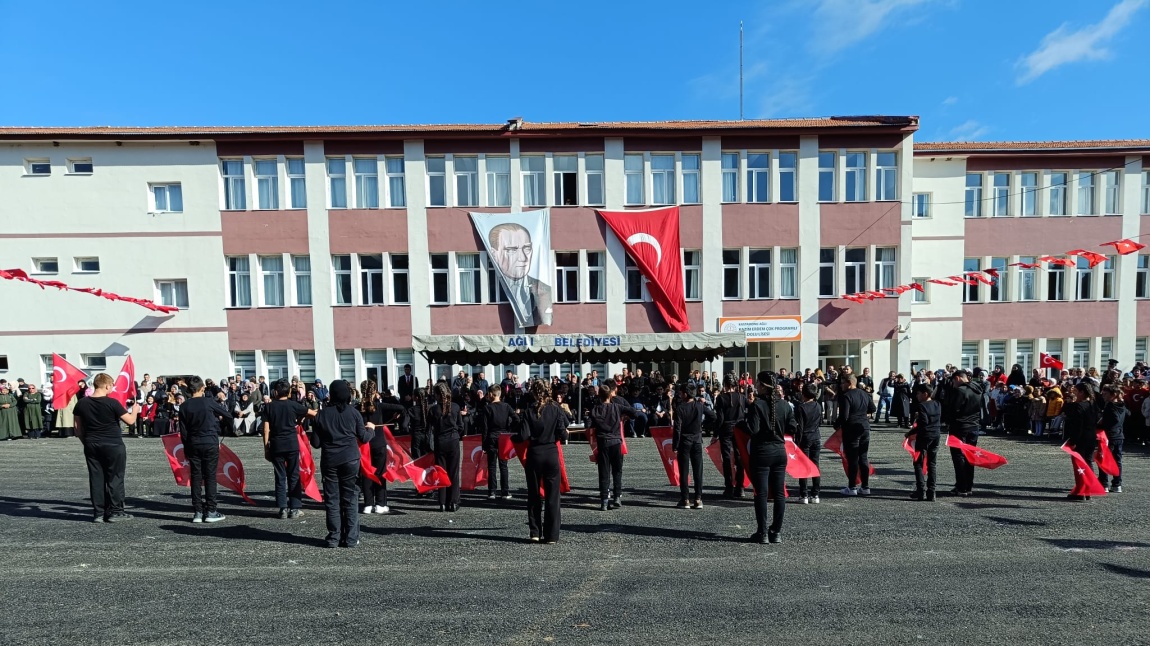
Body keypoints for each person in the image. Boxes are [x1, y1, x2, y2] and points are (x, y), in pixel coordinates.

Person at [310, 380, 375, 548]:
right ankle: (351, 538)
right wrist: (371, 429)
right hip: (350, 459)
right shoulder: (353, 413)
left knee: (332, 500)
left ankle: (334, 537)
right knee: (350, 498)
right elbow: (364, 437)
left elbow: (315, 443)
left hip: (330, 460)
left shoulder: (321, 414)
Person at [73, 373, 139, 522]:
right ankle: (116, 511)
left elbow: (77, 428)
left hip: (92, 444)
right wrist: (135, 410)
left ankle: (98, 513)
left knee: (96, 478)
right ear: (107, 386)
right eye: (112, 386)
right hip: (113, 444)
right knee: (115, 477)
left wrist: (87, 442)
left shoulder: (81, 403)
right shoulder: (112, 403)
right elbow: (130, 421)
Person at [745, 372, 796, 544]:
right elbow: (793, 427)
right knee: (779, 493)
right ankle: (776, 531)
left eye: (758, 383)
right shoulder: (785, 406)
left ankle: (762, 532)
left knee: (761, 493)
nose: (756, 386)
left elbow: (753, 429)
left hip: (761, 452)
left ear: (762, 386)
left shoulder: (757, 405)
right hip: (779, 451)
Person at [518, 379, 569, 543]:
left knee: (533, 495)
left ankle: (535, 532)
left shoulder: (528, 411)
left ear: (533, 392)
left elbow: (523, 436)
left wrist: (512, 437)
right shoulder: (556, 409)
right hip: (551, 454)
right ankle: (551, 535)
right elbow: (564, 433)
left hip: (534, 454)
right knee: (552, 497)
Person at [179, 376, 233, 523]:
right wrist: (225, 430)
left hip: (193, 443)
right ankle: (211, 510)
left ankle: (197, 511)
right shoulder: (209, 402)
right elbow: (228, 415)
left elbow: (183, 431)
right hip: (209, 442)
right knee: (210, 476)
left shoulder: (184, 406)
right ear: (202, 388)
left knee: (196, 477)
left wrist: (186, 447)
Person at [262, 378, 317, 519]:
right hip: (291, 444)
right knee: (293, 475)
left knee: (280, 476)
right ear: (289, 391)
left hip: (276, 444)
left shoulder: (269, 406)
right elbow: (312, 413)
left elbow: (266, 429)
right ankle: (295, 507)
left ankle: (282, 508)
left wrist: (266, 448)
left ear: (275, 391)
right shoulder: (294, 405)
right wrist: (301, 419)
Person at [487, 221, 553, 327]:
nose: (523, 258)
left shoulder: (544, 289)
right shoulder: (491, 287)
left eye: (527, 249)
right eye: (512, 250)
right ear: (494, 254)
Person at [359, 380, 404, 515]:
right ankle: (380, 504)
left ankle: (368, 504)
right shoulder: (379, 406)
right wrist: (397, 415)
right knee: (380, 473)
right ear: (375, 392)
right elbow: (400, 407)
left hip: (364, 444)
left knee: (366, 474)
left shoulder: (357, 407)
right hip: (378, 443)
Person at [587, 384, 635, 511]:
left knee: (604, 472)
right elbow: (634, 412)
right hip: (616, 441)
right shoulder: (617, 407)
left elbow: (588, 424)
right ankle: (617, 497)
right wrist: (625, 416)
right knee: (617, 471)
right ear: (610, 395)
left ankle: (604, 500)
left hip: (603, 442)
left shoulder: (595, 409)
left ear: (599, 395)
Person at [672, 384, 717, 509]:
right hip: (697, 439)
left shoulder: (680, 408)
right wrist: (702, 426)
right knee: (698, 471)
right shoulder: (699, 406)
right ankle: (698, 499)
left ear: (686, 394)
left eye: (681, 393)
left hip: (684, 441)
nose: (680, 395)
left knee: (684, 471)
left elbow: (677, 429)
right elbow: (713, 416)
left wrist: (675, 445)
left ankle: (685, 499)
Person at [945, 369, 984, 497]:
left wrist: (947, 421)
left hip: (959, 426)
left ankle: (961, 486)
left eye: (953, 381)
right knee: (970, 456)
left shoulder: (959, 391)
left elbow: (953, 409)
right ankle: (968, 485)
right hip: (974, 426)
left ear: (957, 378)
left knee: (958, 456)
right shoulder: (978, 389)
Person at [836, 374, 876, 496]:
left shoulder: (846, 396)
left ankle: (852, 487)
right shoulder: (864, 394)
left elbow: (844, 416)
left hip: (851, 429)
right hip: (864, 427)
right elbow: (873, 408)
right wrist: (863, 414)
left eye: (843, 383)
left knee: (853, 459)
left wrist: (836, 425)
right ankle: (865, 486)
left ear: (849, 383)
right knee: (863, 457)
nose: (841, 385)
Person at [429, 382, 464, 512]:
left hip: (440, 441)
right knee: (453, 472)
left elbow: (430, 428)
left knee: (441, 472)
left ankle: (442, 502)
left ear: (437, 395)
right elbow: (461, 426)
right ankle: (453, 502)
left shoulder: (433, 409)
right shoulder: (455, 407)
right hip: (453, 440)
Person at [1062, 382, 1099, 501]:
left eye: (1076, 392)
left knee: (1079, 465)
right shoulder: (1093, 404)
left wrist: (1073, 441)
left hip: (1081, 438)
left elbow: (1077, 426)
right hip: (1091, 437)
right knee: (1088, 463)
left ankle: (1080, 492)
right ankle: (1087, 490)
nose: (1074, 394)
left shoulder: (1079, 406)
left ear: (1082, 392)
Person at [714, 375, 748, 498]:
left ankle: (729, 487)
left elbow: (720, 418)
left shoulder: (721, 398)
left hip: (726, 428)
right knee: (740, 458)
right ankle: (740, 487)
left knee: (727, 458)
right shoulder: (742, 397)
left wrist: (715, 433)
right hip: (739, 427)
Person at [481, 388, 518, 501]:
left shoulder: (487, 408)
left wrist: (484, 444)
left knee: (491, 466)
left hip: (492, 437)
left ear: (491, 394)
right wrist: (509, 429)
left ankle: (492, 491)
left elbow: (485, 428)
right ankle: (505, 491)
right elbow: (516, 418)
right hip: (504, 437)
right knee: (503, 466)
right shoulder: (506, 406)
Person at [908, 384, 941, 501]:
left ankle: (920, 490)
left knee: (918, 463)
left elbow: (923, 422)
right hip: (936, 435)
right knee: (932, 463)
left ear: (925, 394)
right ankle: (932, 491)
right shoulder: (937, 404)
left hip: (924, 437)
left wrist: (911, 432)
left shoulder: (922, 406)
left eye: (918, 393)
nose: (917, 396)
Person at [793, 382, 823, 504]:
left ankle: (803, 494)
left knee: (803, 466)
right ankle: (815, 494)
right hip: (816, 436)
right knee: (815, 465)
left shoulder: (800, 407)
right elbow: (820, 421)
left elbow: (799, 427)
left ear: (803, 393)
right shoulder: (818, 405)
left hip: (805, 437)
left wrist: (796, 442)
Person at [1098, 384, 1126, 493]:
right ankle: (1117, 484)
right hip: (1119, 435)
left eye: (1106, 394)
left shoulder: (1110, 406)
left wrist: (1102, 422)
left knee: (1103, 459)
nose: (1103, 395)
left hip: (1109, 436)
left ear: (1113, 395)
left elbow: (1114, 419)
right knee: (1117, 460)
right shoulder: (1122, 405)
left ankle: (1104, 483)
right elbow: (1127, 414)